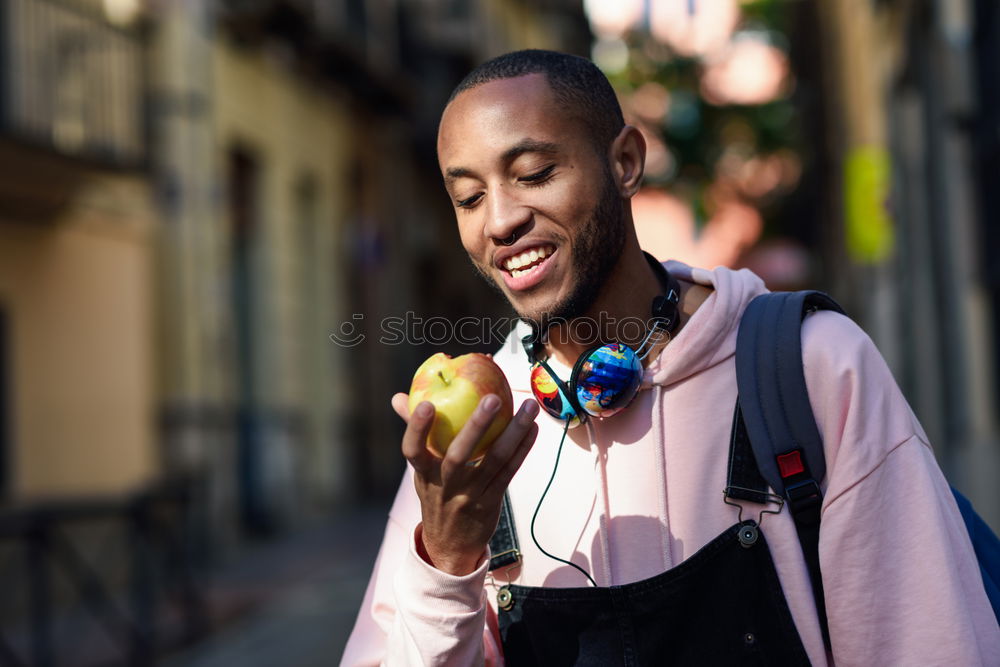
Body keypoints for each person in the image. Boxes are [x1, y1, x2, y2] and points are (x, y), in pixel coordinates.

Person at [341, 50, 1000, 665]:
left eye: (535, 173)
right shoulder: (478, 428)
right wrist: (449, 560)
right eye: (469, 197)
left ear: (625, 161)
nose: (500, 221)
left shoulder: (810, 368)